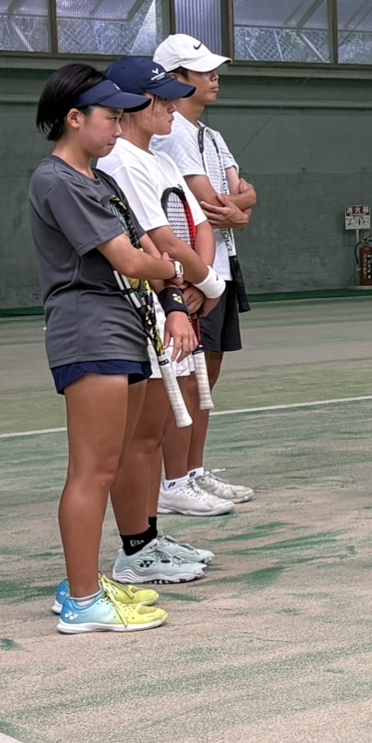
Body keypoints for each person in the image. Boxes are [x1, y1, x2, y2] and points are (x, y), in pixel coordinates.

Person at [30, 65, 176, 633]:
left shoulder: (99, 180)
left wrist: (157, 270)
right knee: (92, 470)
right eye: (110, 118)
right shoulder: (58, 181)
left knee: (108, 464)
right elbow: (131, 258)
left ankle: (83, 582)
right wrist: (171, 270)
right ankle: (82, 602)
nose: (118, 128)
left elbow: (142, 248)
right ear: (75, 118)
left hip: (121, 326)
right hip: (88, 329)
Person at [96, 56, 228, 585]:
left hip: (167, 305)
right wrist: (205, 287)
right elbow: (161, 241)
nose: (173, 108)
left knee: (151, 435)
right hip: (138, 311)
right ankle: (135, 550)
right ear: (133, 106)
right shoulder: (122, 161)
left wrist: (200, 285)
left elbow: (197, 225)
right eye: (162, 99)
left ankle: (148, 537)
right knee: (138, 439)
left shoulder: (162, 160)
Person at [152, 33, 256, 507]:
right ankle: (175, 483)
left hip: (222, 268)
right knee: (187, 381)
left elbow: (245, 195)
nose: (215, 78)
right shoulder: (171, 132)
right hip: (194, 273)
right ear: (176, 79)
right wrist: (238, 206)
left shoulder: (211, 136)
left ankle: (193, 472)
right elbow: (209, 203)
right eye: (203, 72)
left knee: (206, 380)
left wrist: (240, 207)